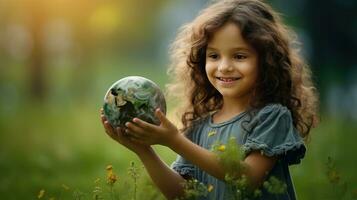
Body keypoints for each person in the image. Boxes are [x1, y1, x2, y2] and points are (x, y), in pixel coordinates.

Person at [100, 0, 319, 199]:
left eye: (239, 56)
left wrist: (175, 141)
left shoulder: (271, 116)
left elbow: (247, 178)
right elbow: (183, 194)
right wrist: (144, 151)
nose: (224, 66)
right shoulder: (199, 126)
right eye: (214, 56)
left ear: (267, 61)